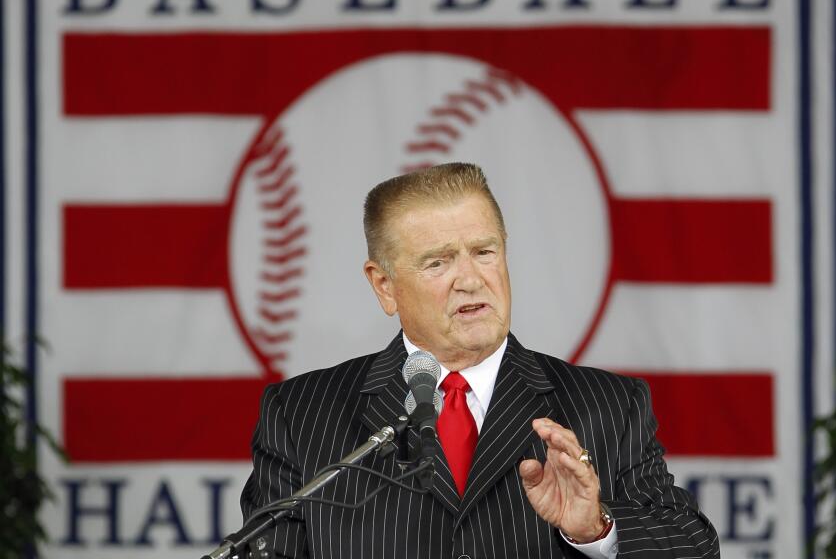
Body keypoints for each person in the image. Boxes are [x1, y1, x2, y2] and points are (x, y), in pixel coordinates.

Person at [240, 162, 720, 558]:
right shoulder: (301, 413)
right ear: (384, 286)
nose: (470, 279)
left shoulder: (610, 405)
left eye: (484, 251)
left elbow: (695, 548)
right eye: (438, 262)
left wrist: (597, 528)